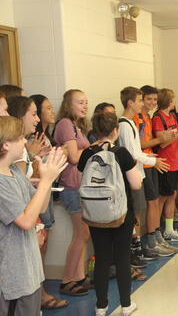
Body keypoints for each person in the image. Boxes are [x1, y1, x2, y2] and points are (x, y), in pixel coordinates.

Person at [0, 116, 67, 316]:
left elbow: (41, 207)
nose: (24, 142)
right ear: (5, 144)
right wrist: (46, 181)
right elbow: (26, 221)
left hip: (29, 271)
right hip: (13, 277)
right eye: (20, 138)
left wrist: (47, 177)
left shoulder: (14, 172)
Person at [78, 112, 141, 316]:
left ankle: (101, 306)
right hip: (121, 213)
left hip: (96, 213)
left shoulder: (87, 153)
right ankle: (126, 305)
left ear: (95, 131)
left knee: (102, 259)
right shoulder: (121, 153)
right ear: (116, 130)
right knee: (122, 258)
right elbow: (135, 184)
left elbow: (84, 178)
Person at [117, 86, 172, 266]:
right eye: (141, 100)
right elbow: (132, 152)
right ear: (131, 103)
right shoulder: (125, 124)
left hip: (140, 171)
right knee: (136, 213)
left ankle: (139, 246)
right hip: (133, 174)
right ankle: (135, 249)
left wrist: (149, 157)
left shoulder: (131, 123)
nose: (144, 104)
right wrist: (152, 160)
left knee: (140, 209)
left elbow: (136, 151)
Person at [30, 94, 70, 310]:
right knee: (38, 244)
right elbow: (33, 168)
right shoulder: (32, 139)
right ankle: (40, 292)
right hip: (38, 192)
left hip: (47, 192)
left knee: (44, 242)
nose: (51, 111)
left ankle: (41, 289)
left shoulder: (47, 135)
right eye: (44, 109)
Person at [53, 89, 92, 296]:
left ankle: (79, 276)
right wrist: (92, 148)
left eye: (86, 102)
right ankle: (67, 279)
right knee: (81, 234)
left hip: (79, 185)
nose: (85, 106)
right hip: (71, 186)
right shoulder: (65, 124)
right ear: (69, 105)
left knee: (83, 234)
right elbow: (75, 158)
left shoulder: (76, 125)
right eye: (80, 102)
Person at [132, 85, 178, 257]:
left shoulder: (147, 116)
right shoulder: (136, 118)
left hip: (150, 162)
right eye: (148, 99)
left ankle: (155, 236)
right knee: (146, 204)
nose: (152, 102)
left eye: (154, 100)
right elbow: (138, 145)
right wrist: (161, 139)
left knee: (154, 201)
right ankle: (148, 241)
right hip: (142, 164)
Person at [152, 88, 178, 242]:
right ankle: (156, 231)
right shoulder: (158, 118)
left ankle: (169, 230)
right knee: (162, 198)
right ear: (170, 101)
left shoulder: (171, 116)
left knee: (172, 195)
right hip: (164, 163)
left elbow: (175, 140)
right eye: (174, 98)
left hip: (174, 162)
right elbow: (162, 144)